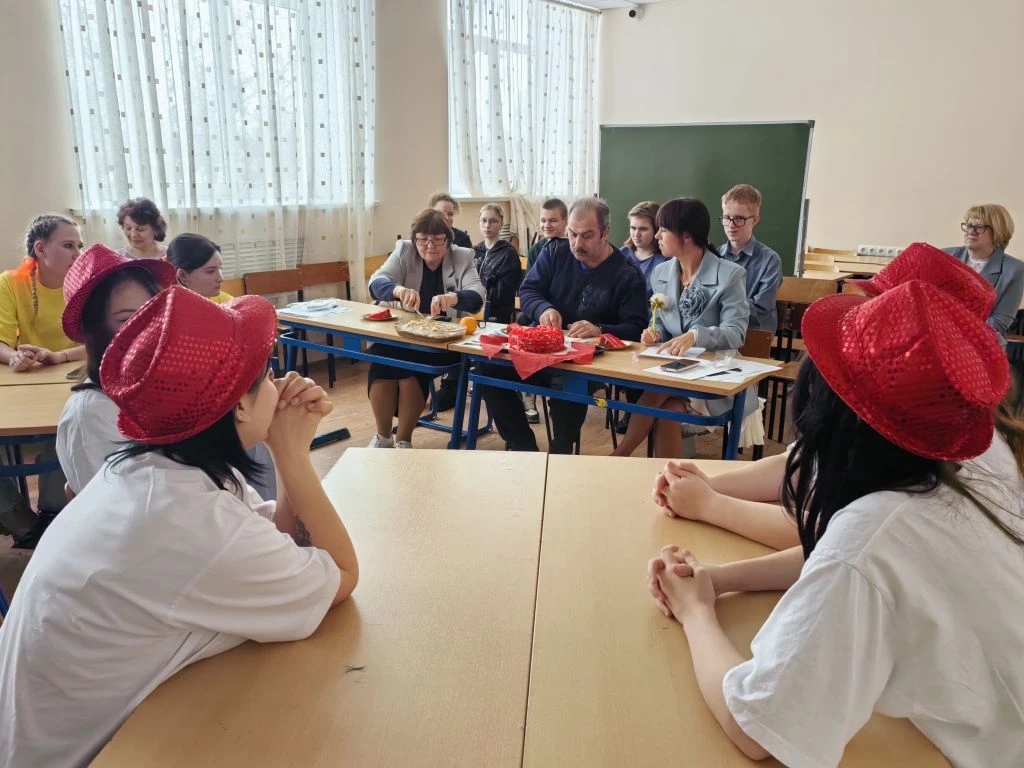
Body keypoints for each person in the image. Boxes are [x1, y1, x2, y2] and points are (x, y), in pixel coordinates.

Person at [647, 280, 1024, 767]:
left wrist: (695, 610)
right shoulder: (969, 463)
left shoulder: (874, 533)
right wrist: (717, 580)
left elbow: (758, 726)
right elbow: (837, 556)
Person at [0, 286, 359, 768]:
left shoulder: (150, 467)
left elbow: (280, 542)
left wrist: (282, 450)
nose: (280, 385)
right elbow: (341, 574)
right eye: (268, 376)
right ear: (239, 406)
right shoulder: (188, 519)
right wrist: (292, 453)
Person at [652, 241, 1006, 550]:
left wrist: (711, 503)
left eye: (880, 307)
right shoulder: (923, 410)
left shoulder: (932, 440)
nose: (864, 316)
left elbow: (839, 536)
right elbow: (805, 465)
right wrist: (708, 488)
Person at [479, 197, 647, 453]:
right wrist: (544, 309)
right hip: (540, 350)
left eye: (587, 236)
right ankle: (524, 446)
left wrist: (600, 329)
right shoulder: (554, 251)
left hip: (585, 362)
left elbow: (635, 326)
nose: (577, 244)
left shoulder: (627, 274)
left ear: (606, 232)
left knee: (568, 388)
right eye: (572, 234)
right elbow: (528, 291)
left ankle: (560, 455)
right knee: (487, 370)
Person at [611, 198, 752, 458]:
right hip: (674, 373)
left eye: (663, 230)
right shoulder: (661, 272)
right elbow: (662, 324)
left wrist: (695, 336)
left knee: (659, 388)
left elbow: (736, 333)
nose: (657, 236)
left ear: (686, 236)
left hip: (715, 376)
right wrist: (654, 333)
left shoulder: (730, 274)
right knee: (670, 411)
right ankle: (669, 477)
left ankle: (620, 454)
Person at [56, 244, 176, 496]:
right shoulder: (93, 416)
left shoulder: (149, 387)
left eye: (154, 312)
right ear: (95, 329)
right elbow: (128, 508)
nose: (148, 329)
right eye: (126, 319)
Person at [366, 208, 484, 448]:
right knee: (381, 358)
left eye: (437, 239)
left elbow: (477, 296)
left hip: (441, 341)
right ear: (414, 239)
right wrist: (398, 290)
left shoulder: (463, 256)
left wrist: (453, 298)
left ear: (448, 240)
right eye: (422, 239)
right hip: (404, 333)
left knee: (410, 367)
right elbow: (376, 283)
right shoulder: (404, 250)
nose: (429, 245)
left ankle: (404, 440)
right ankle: (383, 437)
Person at [0, 214, 85, 543]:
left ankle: (52, 511)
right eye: (68, 246)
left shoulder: (84, 284)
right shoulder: (11, 283)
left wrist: (59, 356)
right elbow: (1, 340)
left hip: (70, 379)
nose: (77, 254)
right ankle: (22, 523)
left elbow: (99, 340)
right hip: (27, 384)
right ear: (41, 249)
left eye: (79, 246)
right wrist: (14, 356)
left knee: (66, 425)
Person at [943, 203, 1023, 343]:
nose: (971, 231)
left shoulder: (1015, 269)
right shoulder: (945, 256)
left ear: (998, 232)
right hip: (940, 336)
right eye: (968, 225)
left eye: (979, 227)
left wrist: (953, 326)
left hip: (981, 343)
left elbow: (998, 323)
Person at [717, 184, 782, 332]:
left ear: (755, 220)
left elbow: (761, 306)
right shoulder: (715, 256)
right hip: (720, 330)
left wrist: (721, 304)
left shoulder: (770, 261)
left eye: (739, 218)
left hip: (753, 333)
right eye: (727, 217)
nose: (731, 225)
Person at [473, 204, 522, 323]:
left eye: (493, 221)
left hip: (497, 315)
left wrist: (477, 296)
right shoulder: (475, 251)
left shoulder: (508, 253)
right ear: (478, 222)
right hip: (471, 310)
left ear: (501, 224)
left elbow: (504, 293)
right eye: (484, 220)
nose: (487, 225)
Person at [620, 201, 667, 300]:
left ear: (656, 230)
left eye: (643, 229)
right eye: (633, 228)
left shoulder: (666, 261)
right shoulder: (620, 255)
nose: (636, 234)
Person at [165, 233, 232, 302]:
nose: (221, 278)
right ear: (183, 275)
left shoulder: (227, 302)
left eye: (220, 268)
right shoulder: (168, 307)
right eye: (211, 271)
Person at [526, 197, 568, 273]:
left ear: (566, 221)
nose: (547, 225)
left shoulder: (574, 249)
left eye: (553, 221)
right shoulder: (535, 250)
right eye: (543, 221)